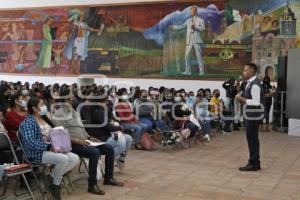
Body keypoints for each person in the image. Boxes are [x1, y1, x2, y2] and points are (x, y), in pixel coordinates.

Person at [52, 88, 124, 196]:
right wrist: (77, 140)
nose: (73, 98)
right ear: (66, 99)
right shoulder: (59, 114)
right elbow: (59, 136)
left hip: (84, 140)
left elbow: (81, 128)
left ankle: (108, 178)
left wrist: (89, 137)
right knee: (94, 152)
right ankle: (92, 185)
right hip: (73, 144)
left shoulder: (74, 111)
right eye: (71, 97)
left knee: (108, 148)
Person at [19, 97, 79, 200]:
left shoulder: (45, 118)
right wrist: (48, 146)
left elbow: (55, 132)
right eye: (41, 104)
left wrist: (61, 140)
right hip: (37, 152)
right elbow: (30, 142)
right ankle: (55, 186)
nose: (44, 106)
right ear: (34, 108)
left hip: (53, 148)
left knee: (74, 158)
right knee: (63, 159)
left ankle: (50, 177)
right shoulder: (28, 122)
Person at [84, 92, 133, 172]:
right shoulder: (96, 111)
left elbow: (108, 121)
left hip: (106, 134)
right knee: (121, 144)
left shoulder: (102, 109)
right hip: (98, 138)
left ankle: (121, 159)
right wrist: (119, 127)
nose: (107, 102)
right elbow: (107, 127)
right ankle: (108, 161)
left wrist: (113, 122)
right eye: (106, 101)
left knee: (128, 138)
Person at [235, 63, 264, 171]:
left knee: (252, 140)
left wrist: (241, 99)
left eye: (245, 70)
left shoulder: (255, 84)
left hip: (253, 116)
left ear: (252, 71)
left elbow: (256, 102)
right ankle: (255, 162)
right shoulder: (249, 83)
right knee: (252, 139)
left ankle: (253, 163)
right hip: (250, 115)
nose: (243, 72)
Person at [169, 6, 205, 76]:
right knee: (186, 56)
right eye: (191, 11)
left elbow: (203, 28)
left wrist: (196, 27)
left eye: (193, 10)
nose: (192, 12)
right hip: (189, 40)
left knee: (198, 56)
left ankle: (201, 71)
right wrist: (173, 27)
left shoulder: (200, 20)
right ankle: (188, 71)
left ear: (196, 11)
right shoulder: (188, 20)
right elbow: (182, 26)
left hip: (197, 40)